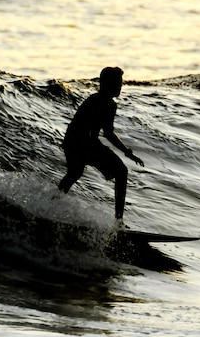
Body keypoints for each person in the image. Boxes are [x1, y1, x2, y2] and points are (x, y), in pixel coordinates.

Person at [58, 67, 144, 225]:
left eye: (121, 83)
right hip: (82, 143)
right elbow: (108, 134)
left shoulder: (98, 100)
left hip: (75, 141)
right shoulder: (103, 103)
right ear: (107, 84)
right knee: (121, 171)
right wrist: (127, 152)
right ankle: (119, 221)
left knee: (74, 173)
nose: (120, 87)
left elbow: (104, 132)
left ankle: (53, 203)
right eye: (118, 83)